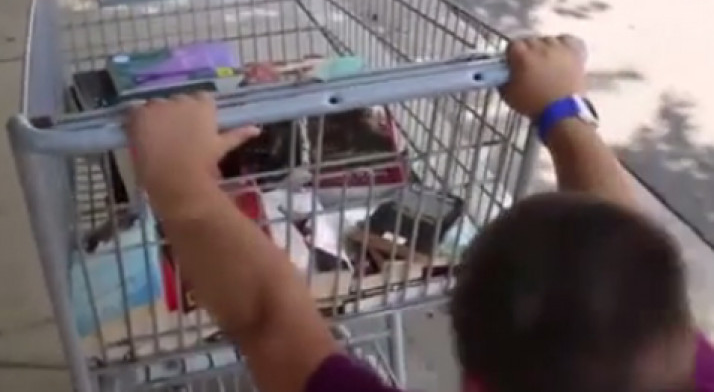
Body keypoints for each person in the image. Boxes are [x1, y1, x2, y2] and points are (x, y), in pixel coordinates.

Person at [128, 36, 714, 392]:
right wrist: (560, 108)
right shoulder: (674, 366)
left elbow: (270, 320)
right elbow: (619, 279)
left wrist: (179, 181)